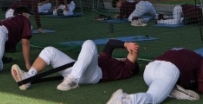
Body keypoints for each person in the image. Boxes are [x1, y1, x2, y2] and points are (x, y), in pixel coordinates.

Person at [100, 48, 203, 104]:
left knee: (160, 85)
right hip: (168, 70)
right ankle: (124, 100)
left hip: (150, 70)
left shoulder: (179, 52)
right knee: (153, 98)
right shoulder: (201, 60)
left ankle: (172, 89)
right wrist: (193, 84)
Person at [11, 39, 140, 91]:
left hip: (94, 76)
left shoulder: (127, 69)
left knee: (89, 44)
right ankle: (28, 77)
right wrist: (124, 44)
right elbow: (110, 43)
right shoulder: (108, 59)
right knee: (49, 51)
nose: (125, 58)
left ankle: (73, 80)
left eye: (127, 58)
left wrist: (128, 46)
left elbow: (134, 50)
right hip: (77, 70)